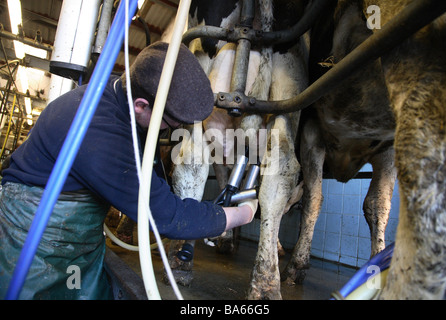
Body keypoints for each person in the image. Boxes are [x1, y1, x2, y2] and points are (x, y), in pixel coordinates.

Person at [0, 41, 258, 300]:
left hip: (78, 234)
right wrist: (242, 214)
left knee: (82, 290)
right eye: (173, 122)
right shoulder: (101, 132)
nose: (174, 127)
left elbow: (153, 179)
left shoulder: (121, 95)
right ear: (141, 105)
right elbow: (164, 216)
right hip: (38, 235)